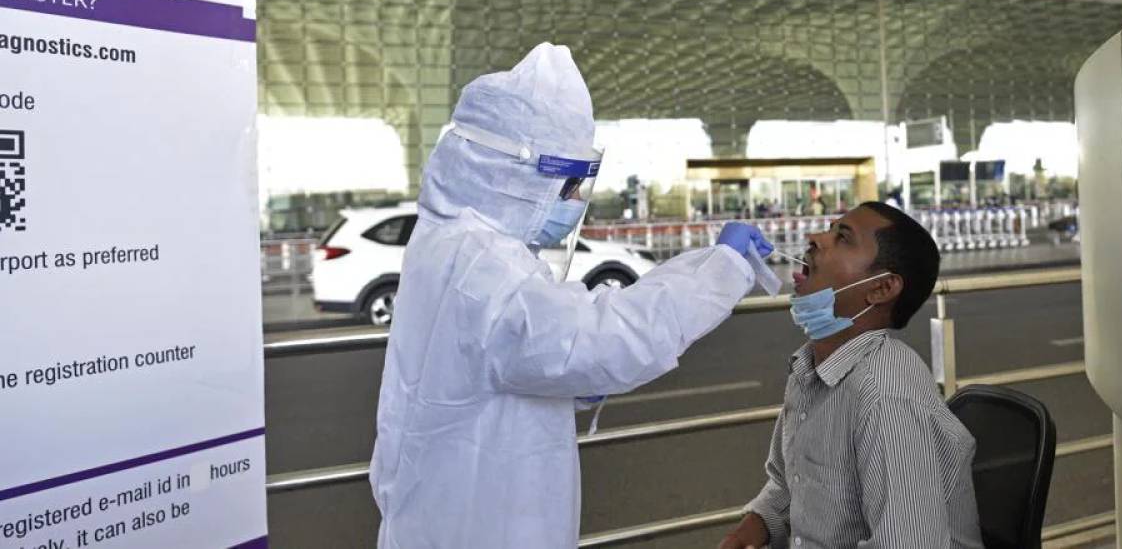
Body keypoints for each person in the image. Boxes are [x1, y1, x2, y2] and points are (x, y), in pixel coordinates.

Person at [368, 42, 774, 549]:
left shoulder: (451, 241)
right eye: (566, 186)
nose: (573, 202)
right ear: (512, 174)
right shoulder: (485, 267)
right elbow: (607, 339)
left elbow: (498, 357)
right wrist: (719, 269)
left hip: (440, 506)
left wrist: (568, 381)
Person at [719, 202, 982, 549]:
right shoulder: (811, 368)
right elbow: (790, 484)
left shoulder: (885, 397)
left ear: (882, 288)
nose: (815, 238)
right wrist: (753, 528)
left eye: (842, 238)